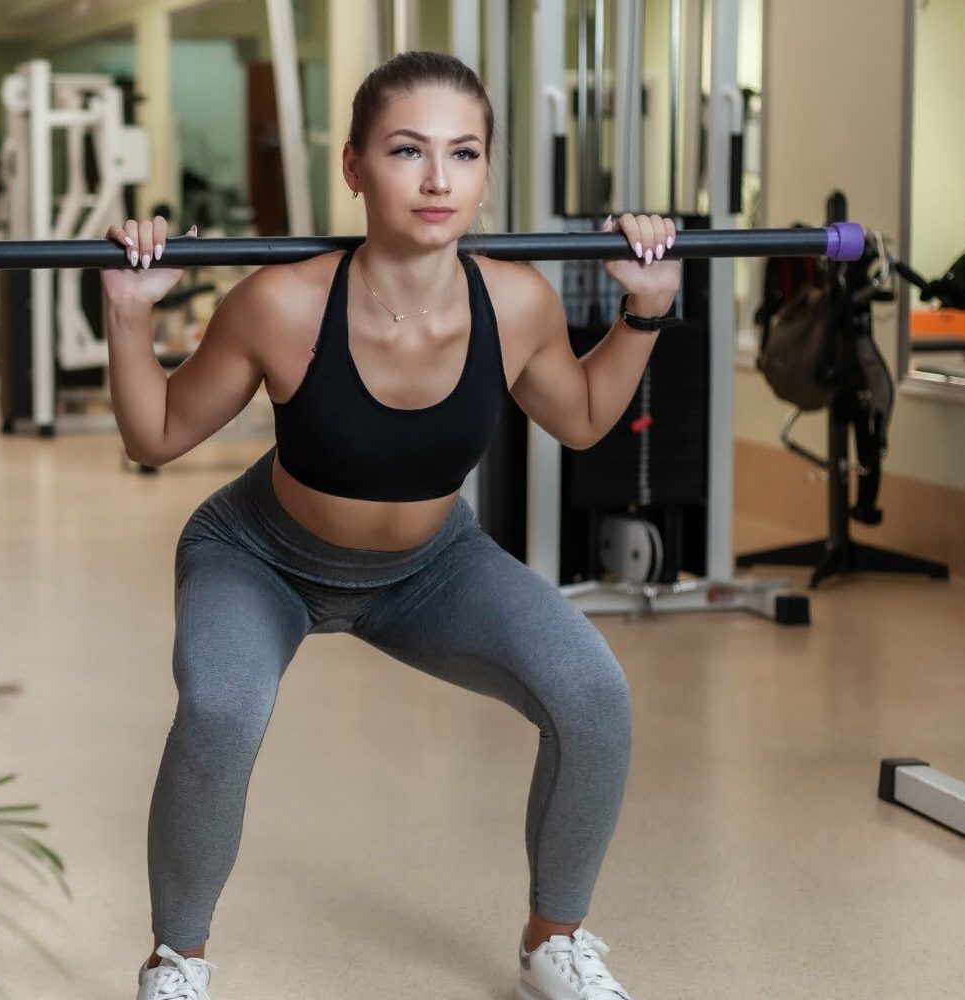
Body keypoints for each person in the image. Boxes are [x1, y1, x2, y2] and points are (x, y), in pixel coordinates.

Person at [101, 51, 678, 1000]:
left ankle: (554, 942)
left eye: (464, 153)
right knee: (220, 708)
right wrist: (129, 317)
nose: (439, 179)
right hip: (260, 556)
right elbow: (155, 436)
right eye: (409, 150)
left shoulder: (516, 301)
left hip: (429, 566)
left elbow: (579, 418)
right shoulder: (281, 302)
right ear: (356, 168)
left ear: (488, 171)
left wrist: (644, 312)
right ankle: (177, 959)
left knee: (593, 694)